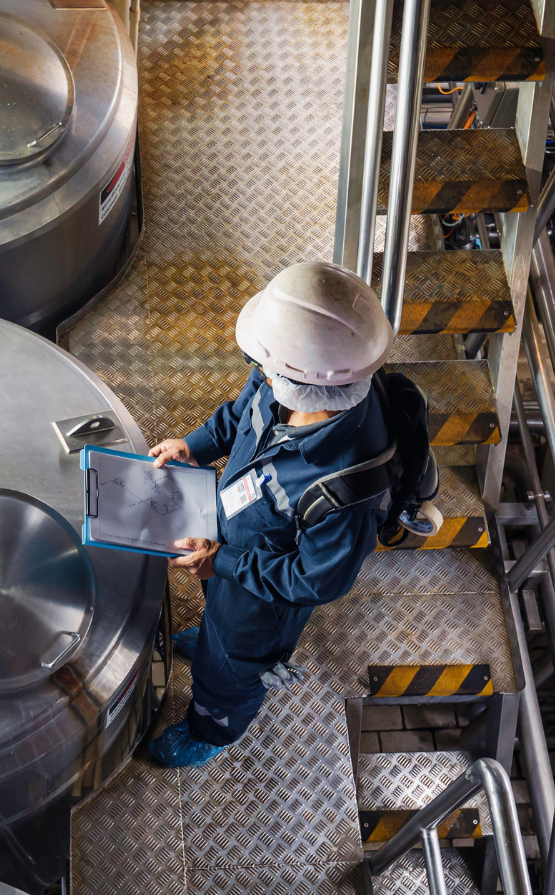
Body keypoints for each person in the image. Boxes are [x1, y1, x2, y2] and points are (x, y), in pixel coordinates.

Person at [145, 261, 395, 767]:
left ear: (308, 381)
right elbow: (239, 417)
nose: (256, 369)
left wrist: (226, 564)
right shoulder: (283, 379)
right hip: (230, 551)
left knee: (231, 668)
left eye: (263, 364)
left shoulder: (346, 488)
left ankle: (212, 728)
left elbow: (314, 581)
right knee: (218, 620)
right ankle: (215, 636)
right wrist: (194, 447)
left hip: (260, 603)